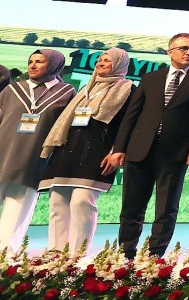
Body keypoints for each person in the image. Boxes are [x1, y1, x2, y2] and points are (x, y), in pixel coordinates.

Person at [106, 33, 189, 259]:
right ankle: (126, 253)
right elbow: (132, 115)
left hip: (174, 152)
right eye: (184, 48)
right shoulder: (151, 78)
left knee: (166, 208)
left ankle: (154, 255)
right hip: (139, 150)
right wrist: (119, 148)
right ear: (170, 52)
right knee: (131, 206)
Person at [39, 49, 134, 252]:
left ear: (119, 64)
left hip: (98, 152)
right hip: (68, 148)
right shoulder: (86, 88)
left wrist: (117, 150)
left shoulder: (128, 90)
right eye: (99, 59)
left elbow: (128, 124)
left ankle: (77, 253)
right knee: (57, 199)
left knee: (82, 201)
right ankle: (56, 252)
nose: (101, 63)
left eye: (107, 60)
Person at [0, 50, 75, 251]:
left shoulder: (67, 92)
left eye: (40, 61)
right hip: (3, 152)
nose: (33, 65)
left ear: (54, 65)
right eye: (30, 61)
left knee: (16, 211)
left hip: (34, 158)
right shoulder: (12, 89)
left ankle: (4, 258)